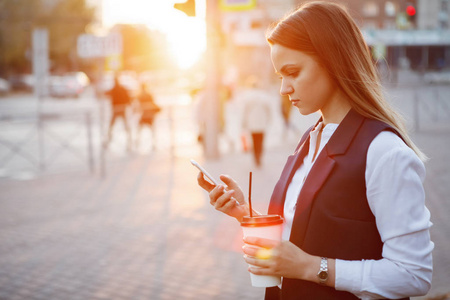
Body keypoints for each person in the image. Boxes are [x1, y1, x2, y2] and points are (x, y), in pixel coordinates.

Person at [196, 2, 433, 300]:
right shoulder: (311, 136)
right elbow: (307, 231)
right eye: (280, 76)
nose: (284, 88)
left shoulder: (385, 152)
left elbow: (413, 274)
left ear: (333, 60)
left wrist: (310, 268)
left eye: (292, 72)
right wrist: (245, 214)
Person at [240, 76, 272, 167]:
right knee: (261, 141)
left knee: (254, 141)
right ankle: (259, 156)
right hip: (262, 123)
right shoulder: (264, 95)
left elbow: (245, 111)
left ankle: (256, 158)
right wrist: (268, 119)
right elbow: (268, 110)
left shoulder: (248, 96)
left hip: (252, 123)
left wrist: (243, 122)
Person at [105, 75, 132, 149]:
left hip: (117, 109)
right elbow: (128, 98)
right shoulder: (122, 88)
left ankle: (108, 140)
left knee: (112, 125)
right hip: (122, 108)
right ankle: (129, 141)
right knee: (124, 125)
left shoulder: (115, 89)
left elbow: (107, 94)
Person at [135, 83, 161, 149]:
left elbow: (139, 105)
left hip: (145, 115)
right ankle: (153, 144)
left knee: (141, 129)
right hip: (148, 115)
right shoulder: (148, 95)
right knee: (149, 129)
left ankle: (139, 143)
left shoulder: (140, 96)